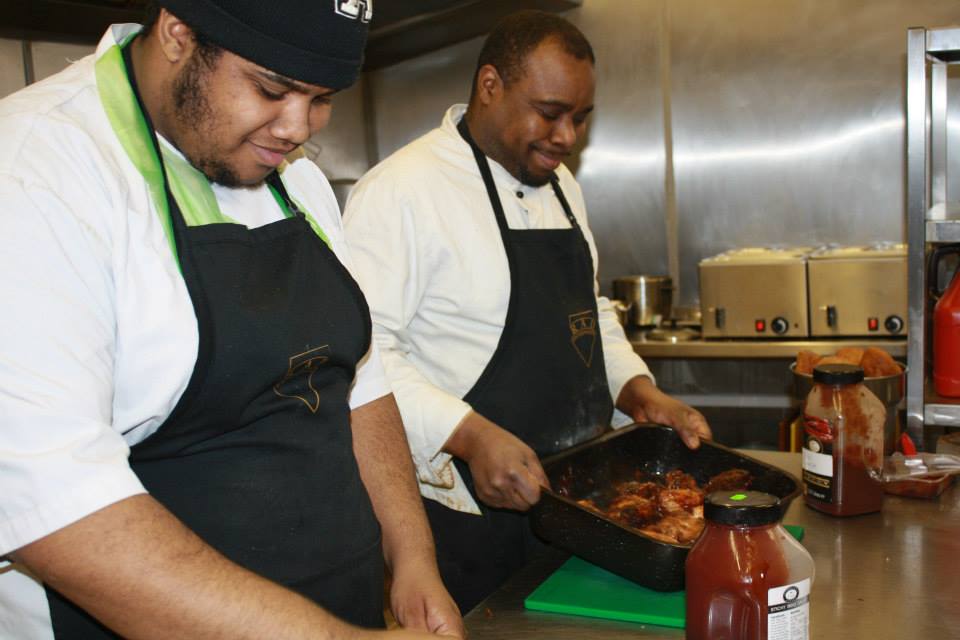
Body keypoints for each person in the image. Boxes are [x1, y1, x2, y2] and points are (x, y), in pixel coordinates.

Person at [0, 1, 464, 638]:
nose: (298, 127)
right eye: (273, 89)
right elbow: (54, 505)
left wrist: (412, 555)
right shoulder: (34, 171)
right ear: (177, 34)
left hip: (339, 608)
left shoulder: (294, 179)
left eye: (322, 97)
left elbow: (360, 380)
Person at [342, 10, 712, 613]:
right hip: (467, 510)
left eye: (581, 117)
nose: (567, 137)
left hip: (583, 498)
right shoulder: (402, 191)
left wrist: (638, 391)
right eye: (550, 112)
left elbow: (587, 312)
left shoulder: (562, 184)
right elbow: (365, 355)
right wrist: (468, 434)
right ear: (490, 86)